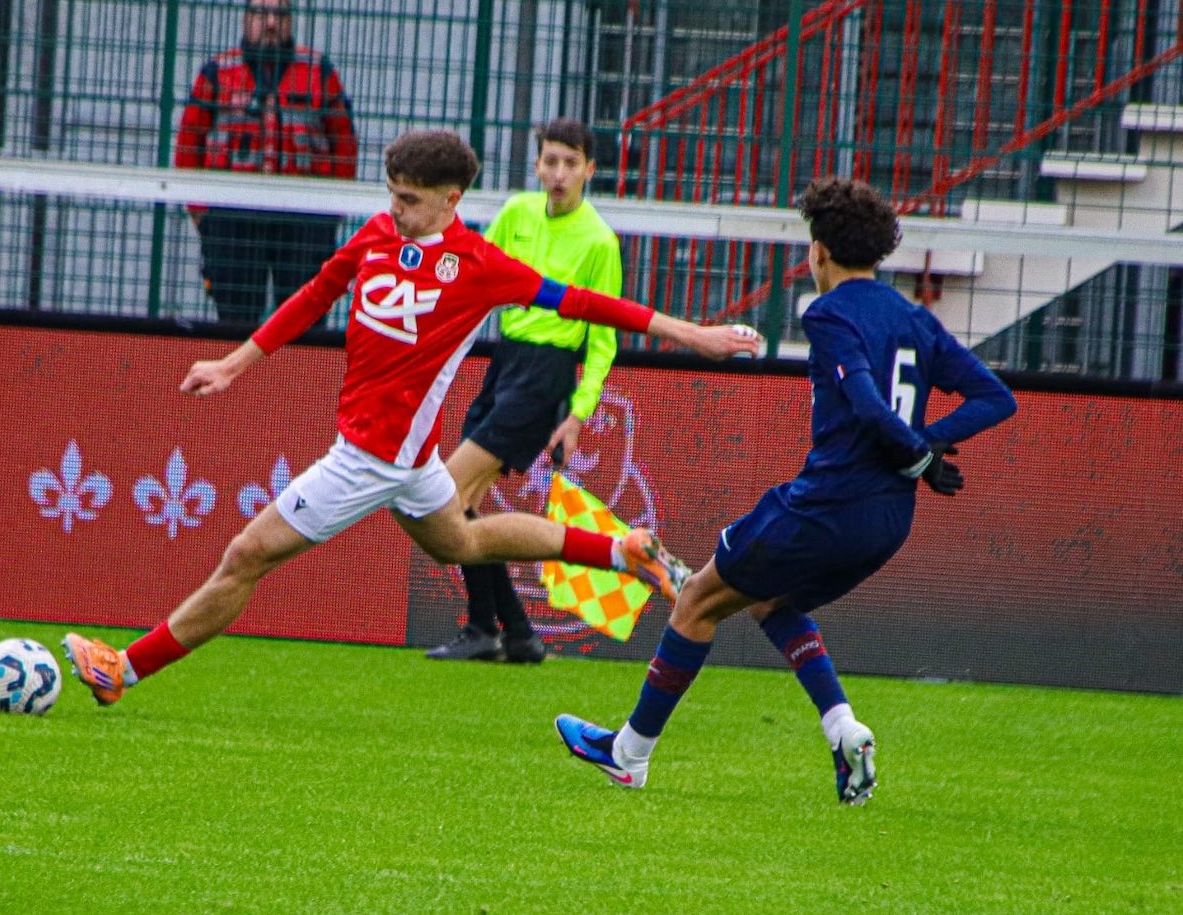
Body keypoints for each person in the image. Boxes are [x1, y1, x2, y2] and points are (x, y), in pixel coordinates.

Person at [62, 129, 763, 707]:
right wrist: (234, 362)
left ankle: (122, 668)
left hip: (372, 458)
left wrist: (694, 334)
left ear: (451, 199)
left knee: (246, 555)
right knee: (463, 540)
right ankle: (621, 550)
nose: (395, 209)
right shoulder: (373, 236)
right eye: (392, 195)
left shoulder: (481, 265)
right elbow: (313, 296)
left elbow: (587, 304)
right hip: (414, 460)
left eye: (410, 200)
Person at [555, 176, 1017, 804]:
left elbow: (863, 402)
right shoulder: (916, 319)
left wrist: (918, 452)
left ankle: (628, 754)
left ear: (818, 252)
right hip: (887, 521)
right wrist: (927, 445)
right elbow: (997, 397)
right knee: (770, 603)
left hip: (825, 506)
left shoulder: (827, 313)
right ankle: (843, 728)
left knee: (694, 600)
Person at [426, 118, 622, 665]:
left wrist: (579, 413)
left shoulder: (600, 241)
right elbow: (473, 279)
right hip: (504, 361)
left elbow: (602, 342)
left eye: (570, 163)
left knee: (448, 494)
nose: (559, 174)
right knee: (462, 505)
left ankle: (494, 628)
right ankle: (507, 631)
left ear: (589, 171)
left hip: (545, 376)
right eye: (550, 161)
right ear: (537, 165)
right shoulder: (515, 213)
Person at [174, 0, 357, 325]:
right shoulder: (217, 72)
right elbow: (190, 141)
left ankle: (302, 378)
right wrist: (201, 211)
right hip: (232, 214)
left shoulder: (318, 71)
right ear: (246, 19)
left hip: (305, 217)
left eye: (280, 15)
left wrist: (333, 209)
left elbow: (343, 141)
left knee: (306, 319)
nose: (271, 23)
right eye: (261, 14)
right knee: (235, 321)